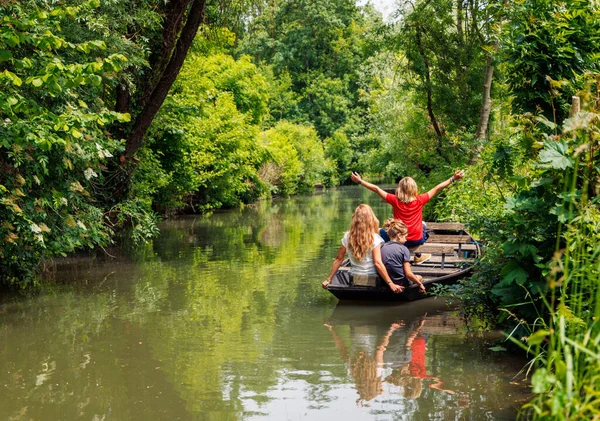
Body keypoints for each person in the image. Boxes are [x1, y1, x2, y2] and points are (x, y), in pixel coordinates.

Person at [351, 169, 465, 264]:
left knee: (381, 231)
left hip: (397, 240)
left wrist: (360, 180)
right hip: (416, 240)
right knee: (422, 225)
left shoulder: (395, 200)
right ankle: (418, 255)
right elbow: (437, 188)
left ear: (400, 188)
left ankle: (380, 256)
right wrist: (453, 179)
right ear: (414, 189)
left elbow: (376, 189)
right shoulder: (420, 200)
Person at [322, 204, 402, 293]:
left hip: (354, 275)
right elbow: (378, 263)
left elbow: (338, 259)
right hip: (373, 275)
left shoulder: (347, 236)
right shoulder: (375, 238)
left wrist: (329, 280)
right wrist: (390, 283)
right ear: (371, 219)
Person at [380, 219, 427, 294]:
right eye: (405, 237)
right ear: (399, 235)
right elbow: (408, 274)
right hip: (402, 283)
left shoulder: (382, 247)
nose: (406, 239)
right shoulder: (404, 249)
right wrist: (420, 284)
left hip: (386, 281)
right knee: (419, 277)